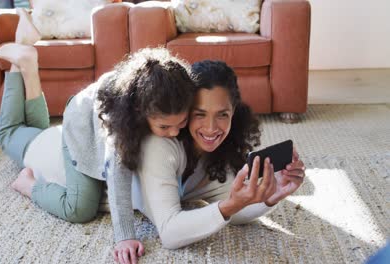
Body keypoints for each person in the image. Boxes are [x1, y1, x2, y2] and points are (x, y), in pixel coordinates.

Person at [0, 9, 195, 264]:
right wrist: (125, 236)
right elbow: (117, 171)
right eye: (165, 128)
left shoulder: (169, 94)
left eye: (181, 123)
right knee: (80, 206)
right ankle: (27, 184)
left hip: (86, 110)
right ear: (141, 112)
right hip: (78, 126)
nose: (174, 133)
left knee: (38, 130)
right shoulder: (120, 120)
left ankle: (28, 62)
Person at [131, 60, 306, 249]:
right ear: (185, 111)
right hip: (102, 189)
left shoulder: (218, 153)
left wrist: (274, 193)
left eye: (222, 114)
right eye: (200, 114)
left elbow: (237, 209)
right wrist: (229, 205)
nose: (211, 128)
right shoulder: (160, 144)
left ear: (233, 112)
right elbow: (170, 233)